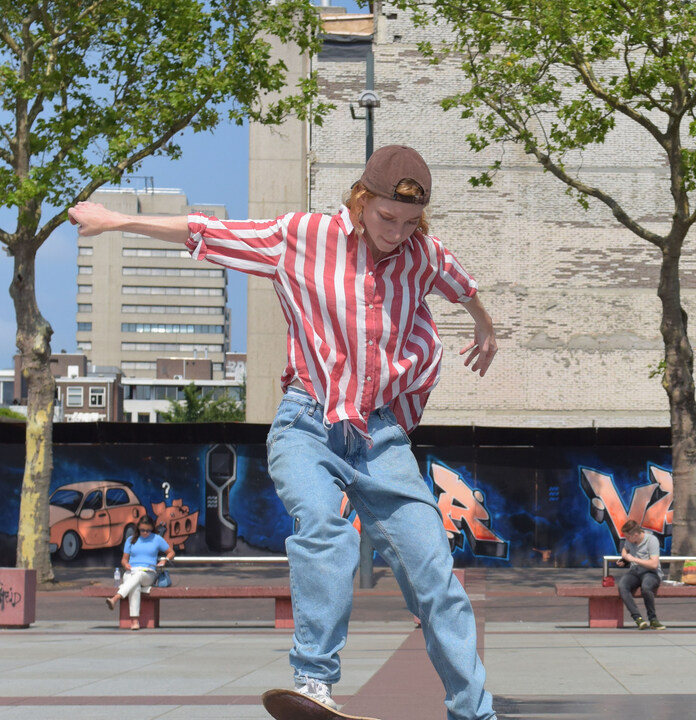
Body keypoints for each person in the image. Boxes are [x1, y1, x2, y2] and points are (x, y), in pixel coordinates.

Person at [69, 144, 499, 720]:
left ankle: (473, 712)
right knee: (324, 529)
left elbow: (461, 284)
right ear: (360, 200)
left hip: (382, 438)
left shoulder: (423, 253)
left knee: (436, 579)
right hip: (307, 424)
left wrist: (485, 327)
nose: (395, 234)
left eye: (409, 223)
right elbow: (209, 231)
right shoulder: (301, 236)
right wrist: (118, 219)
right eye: (385, 219)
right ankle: (315, 682)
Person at [105, 516, 175, 630]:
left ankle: (116, 598)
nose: (145, 533)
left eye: (148, 530)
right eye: (143, 530)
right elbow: (124, 559)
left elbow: (171, 552)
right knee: (135, 585)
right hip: (131, 571)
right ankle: (134, 622)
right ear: (138, 529)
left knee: (138, 576)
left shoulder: (156, 539)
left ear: (152, 529)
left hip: (148, 573)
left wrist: (164, 560)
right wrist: (126, 565)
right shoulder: (131, 540)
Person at [615, 519, 665, 630]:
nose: (626, 539)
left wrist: (633, 559)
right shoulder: (630, 540)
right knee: (622, 586)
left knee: (646, 587)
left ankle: (653, 619)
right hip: (635, 571)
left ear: (636, 534)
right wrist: (625, 559)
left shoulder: (652, 540)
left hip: (651, 573)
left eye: (628, 537)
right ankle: (638, 618)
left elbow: (653, 564)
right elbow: (625, 549)